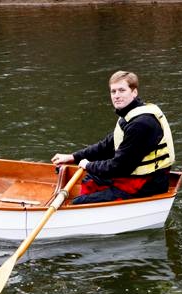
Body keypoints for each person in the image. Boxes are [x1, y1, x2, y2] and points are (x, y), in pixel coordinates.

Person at [51, 71, 175, 204]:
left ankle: (81, 205)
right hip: (137, 177)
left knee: (78, 203)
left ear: (134, 92)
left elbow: (119, 167)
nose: (116, 96)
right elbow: (107, 145)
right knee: (90, 180)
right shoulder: (130, 115)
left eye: (122, 90)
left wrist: (88, 165)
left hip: (147, 184)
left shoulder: (140, 124)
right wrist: (73, 157)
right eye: (113, 91)